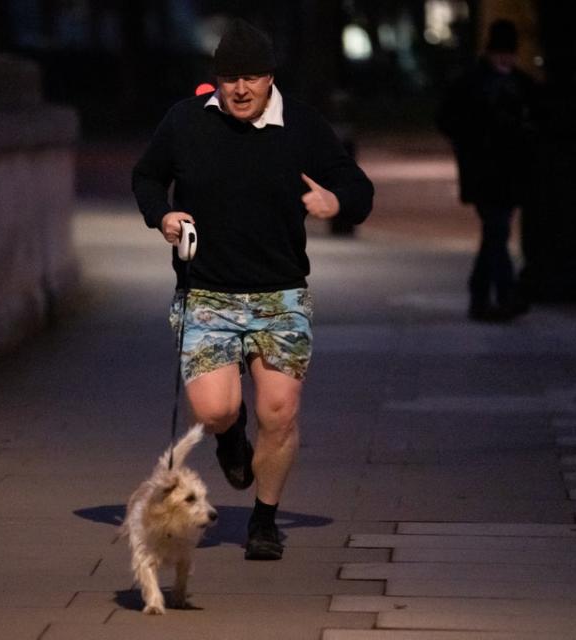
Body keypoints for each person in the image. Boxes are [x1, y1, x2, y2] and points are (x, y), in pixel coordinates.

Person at [132, 19, 373, 561]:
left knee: (280, 411)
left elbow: (357, 185)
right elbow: (146, 176)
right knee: (215, 410)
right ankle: (229, 438)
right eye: (230, 78)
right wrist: (163, 216)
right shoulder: (186, 122)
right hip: (207, 294)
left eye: (254, 78)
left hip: (279, 294)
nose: (241, 89)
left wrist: (338, 204)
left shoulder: (303, 127)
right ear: (216, 79)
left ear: (270, 78)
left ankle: (264, 519)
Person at [437, 19, 537, 322]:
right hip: (486, 171)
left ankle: (480, 296)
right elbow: (448, 119)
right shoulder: (474, 83)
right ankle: (505, 294)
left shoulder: (518, 84)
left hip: (507, 171)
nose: (505, 58)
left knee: (495, 233)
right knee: (497, 230)